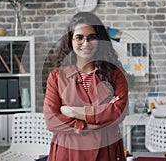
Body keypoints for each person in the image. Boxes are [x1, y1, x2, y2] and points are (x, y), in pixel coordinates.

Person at [43, 12, 129, 161]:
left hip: (105, 150)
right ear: (70, 40)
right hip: (68, 152)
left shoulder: (115, 74)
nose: (86, 43)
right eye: (79, 37)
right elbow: (52, 120)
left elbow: (119, 112)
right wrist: (88, 126)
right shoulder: (56, 77)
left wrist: (73, 111)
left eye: (92, 37)